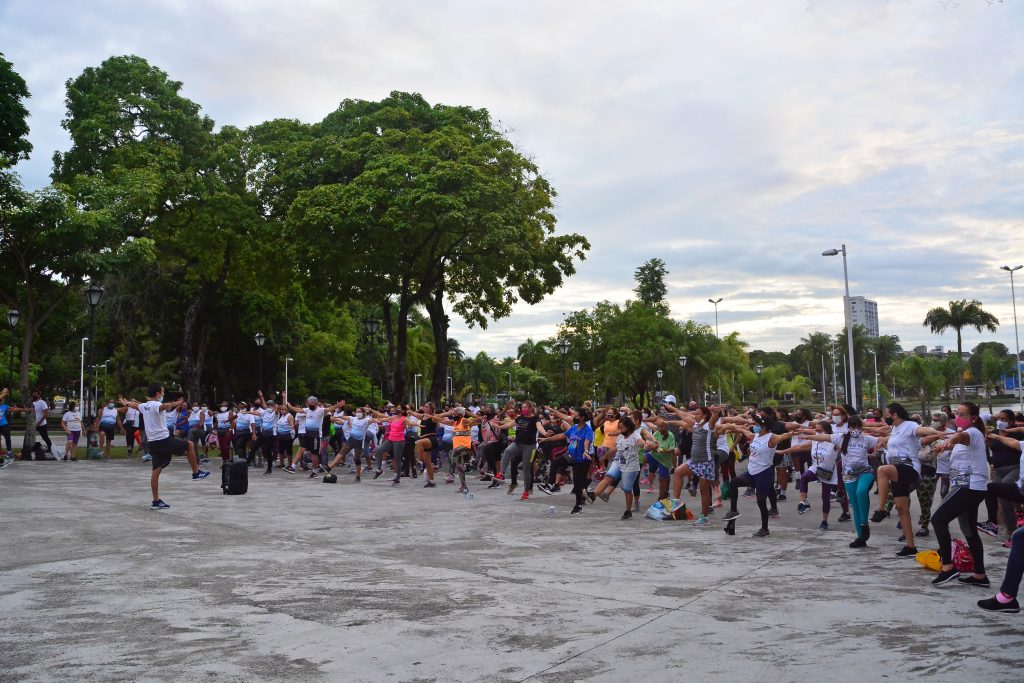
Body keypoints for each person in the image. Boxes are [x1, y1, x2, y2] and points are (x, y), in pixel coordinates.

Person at [928, 402, 991, 587]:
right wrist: (944, 446)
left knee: (938, 519)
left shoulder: (972, 432)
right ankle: (980, 575)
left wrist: (951, 440)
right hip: (968, 486)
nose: (959, 417)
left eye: (964, 414)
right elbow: (959, 443)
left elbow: (961, 436)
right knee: (969, 530)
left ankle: (947, 568)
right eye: (958, 413)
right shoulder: (969, 435)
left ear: (974, 418)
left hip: (970, 486)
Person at [868, 402, 943, 557]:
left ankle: (881, 509)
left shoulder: (910, 425)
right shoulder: (895, 429)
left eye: (886, 414)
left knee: (882, 470)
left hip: (909, 468)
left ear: (894, 414)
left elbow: (922, 430)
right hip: (896, 470)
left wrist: (934, 431)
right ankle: (910, 546)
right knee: (902, 509)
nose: (884, 416)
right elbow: (888, 437)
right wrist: (882, 441)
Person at [119, 386, 209, 509]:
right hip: (163, 440)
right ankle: (196, 473)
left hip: (153, 443)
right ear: (157, 394)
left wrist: (127, 403)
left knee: (156, 470)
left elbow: (134, 405)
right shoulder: (156, 405)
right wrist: (170, 405)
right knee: (190, 445)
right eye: (162, 392)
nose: (163, 394)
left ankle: (156, 501)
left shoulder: (144, 406)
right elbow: (162, 406)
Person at [722, 414, 787, 537]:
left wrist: (796, 433)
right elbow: (742, 430)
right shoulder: (756, 435)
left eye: (757, 424)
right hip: (752, 472)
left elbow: (784, 436)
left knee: (761, 501)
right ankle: (733, 511)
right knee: (733, 483)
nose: (754, 426)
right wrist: (729, 429)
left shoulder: (771, 438)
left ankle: (765, 528)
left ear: (764, 426)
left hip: (764, 473)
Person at [977, 409, 1023, 543]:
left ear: (1011, 421)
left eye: (1003, 419)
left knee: (1004, 495)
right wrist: (989, 456)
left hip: (1014, 468)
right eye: (999, 418)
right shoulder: (995, 432)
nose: (1000, 421)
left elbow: (1015, 443)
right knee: (995, 494)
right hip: (998, 469)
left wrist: (1006, 434)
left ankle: (1012, 532)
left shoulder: (1017, 433)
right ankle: (1003, 527)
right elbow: (986, 447)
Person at [496, 401, 550, 500]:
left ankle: (526, 492)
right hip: (518, 443)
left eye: (525, 407)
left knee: (526, 469)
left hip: (529, 446)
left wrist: (545, 434)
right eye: (522, 407)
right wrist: (499, 427)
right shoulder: (520, 418)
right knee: (507, 451)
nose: (523, 409)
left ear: (530, 408)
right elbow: (509, 424)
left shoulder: (535, 419)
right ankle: (501, 473)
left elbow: (540, 427)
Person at [0, 388, 28, 466]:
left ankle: (9, 452)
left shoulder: (4, 406)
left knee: (7, 438)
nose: (2, 400)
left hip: (4, 424)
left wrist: (25, 409)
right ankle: (1, 454)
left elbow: (14, 409)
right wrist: (4, 392)